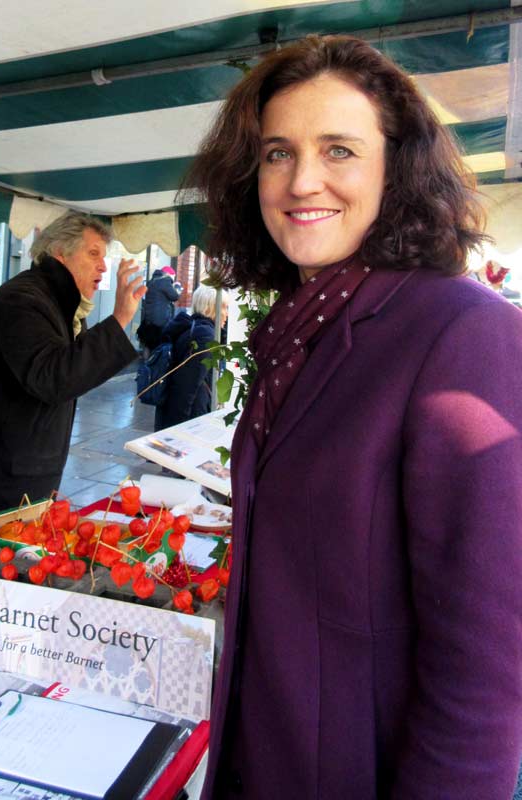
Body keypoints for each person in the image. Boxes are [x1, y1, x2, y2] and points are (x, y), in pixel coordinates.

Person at [184, 35, 522, 799]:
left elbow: (483, 671)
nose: (302, 180)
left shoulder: (461, 330)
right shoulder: (302, 325)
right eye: (277, 153)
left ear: (395, 169)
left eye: (339, 150)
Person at [0, 212, 145, 536]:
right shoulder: (22, 302)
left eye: (104, 256)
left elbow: (69, 373)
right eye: (93, 254)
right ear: (60, 252)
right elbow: (54, 377)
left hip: (18, 480)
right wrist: (117, 321)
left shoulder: (60, 305)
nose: (103, 266)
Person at [154, 284, 229, 431]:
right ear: (212, 307)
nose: (227, 314)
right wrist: (178, 429)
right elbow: (187, 384)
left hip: (177, 411)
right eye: (224, 307)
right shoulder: (205, 335)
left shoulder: (192, 328)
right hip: (191, 417)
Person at [137, 265, 181, 351]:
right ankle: (156, 363)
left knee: (148, 344)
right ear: (169, 274)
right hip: (159, 320)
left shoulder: (152, 281)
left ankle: (147, 363)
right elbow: (175, 296)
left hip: (148, 319)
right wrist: (176, 287)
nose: (172, 280)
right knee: (158, 345)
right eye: (173, 277)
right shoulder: (165, 281)